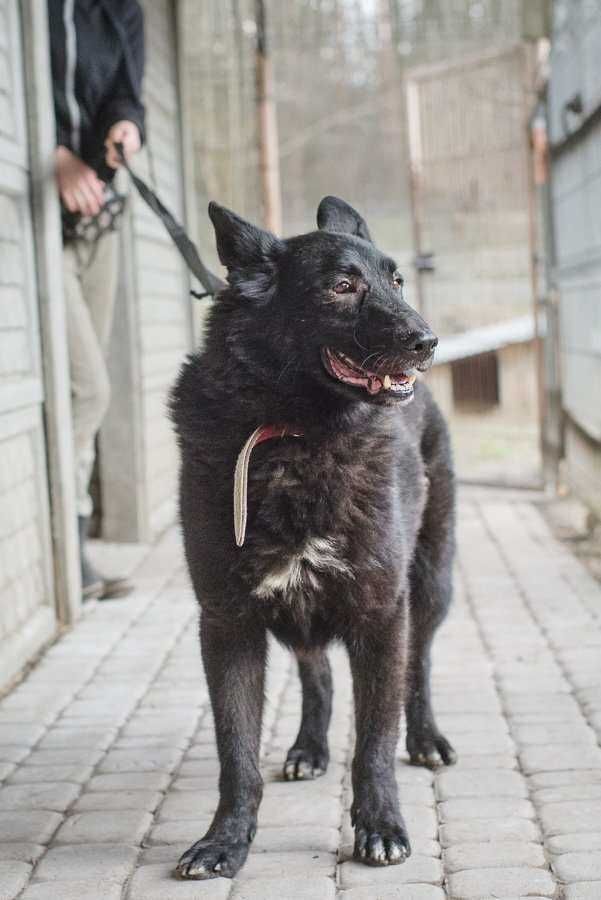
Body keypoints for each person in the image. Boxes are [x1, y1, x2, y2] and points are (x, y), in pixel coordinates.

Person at [48, 0, 146, 599]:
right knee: (89, 390)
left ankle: (77, 552)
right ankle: (62, 536)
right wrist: (54, 152)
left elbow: (126, 93)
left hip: (98, 221)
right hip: (36, 224)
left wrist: (125, 127)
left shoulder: (122, 10)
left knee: (84, 388)